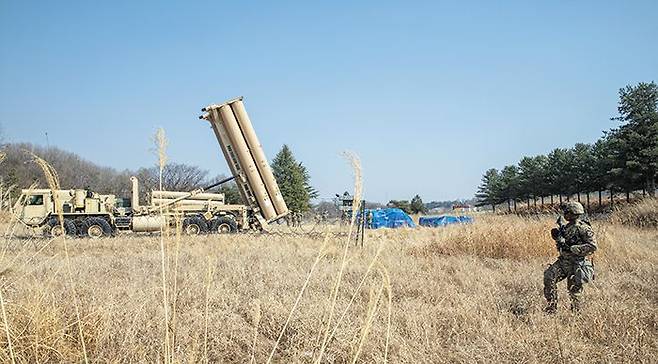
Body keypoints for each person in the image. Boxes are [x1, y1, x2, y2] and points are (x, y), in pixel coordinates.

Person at [544, 201, 597, 313]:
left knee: (574, 290)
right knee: (549, 277)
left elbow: (592, 246)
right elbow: (562, 245)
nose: (565, 214)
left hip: (577, 264)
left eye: (567, 212)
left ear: (573, 213)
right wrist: (558, 238)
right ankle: (551, 307)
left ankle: (576, 315)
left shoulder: (584, 228)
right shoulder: (566, 227)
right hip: (563, 262)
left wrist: (574, 248)